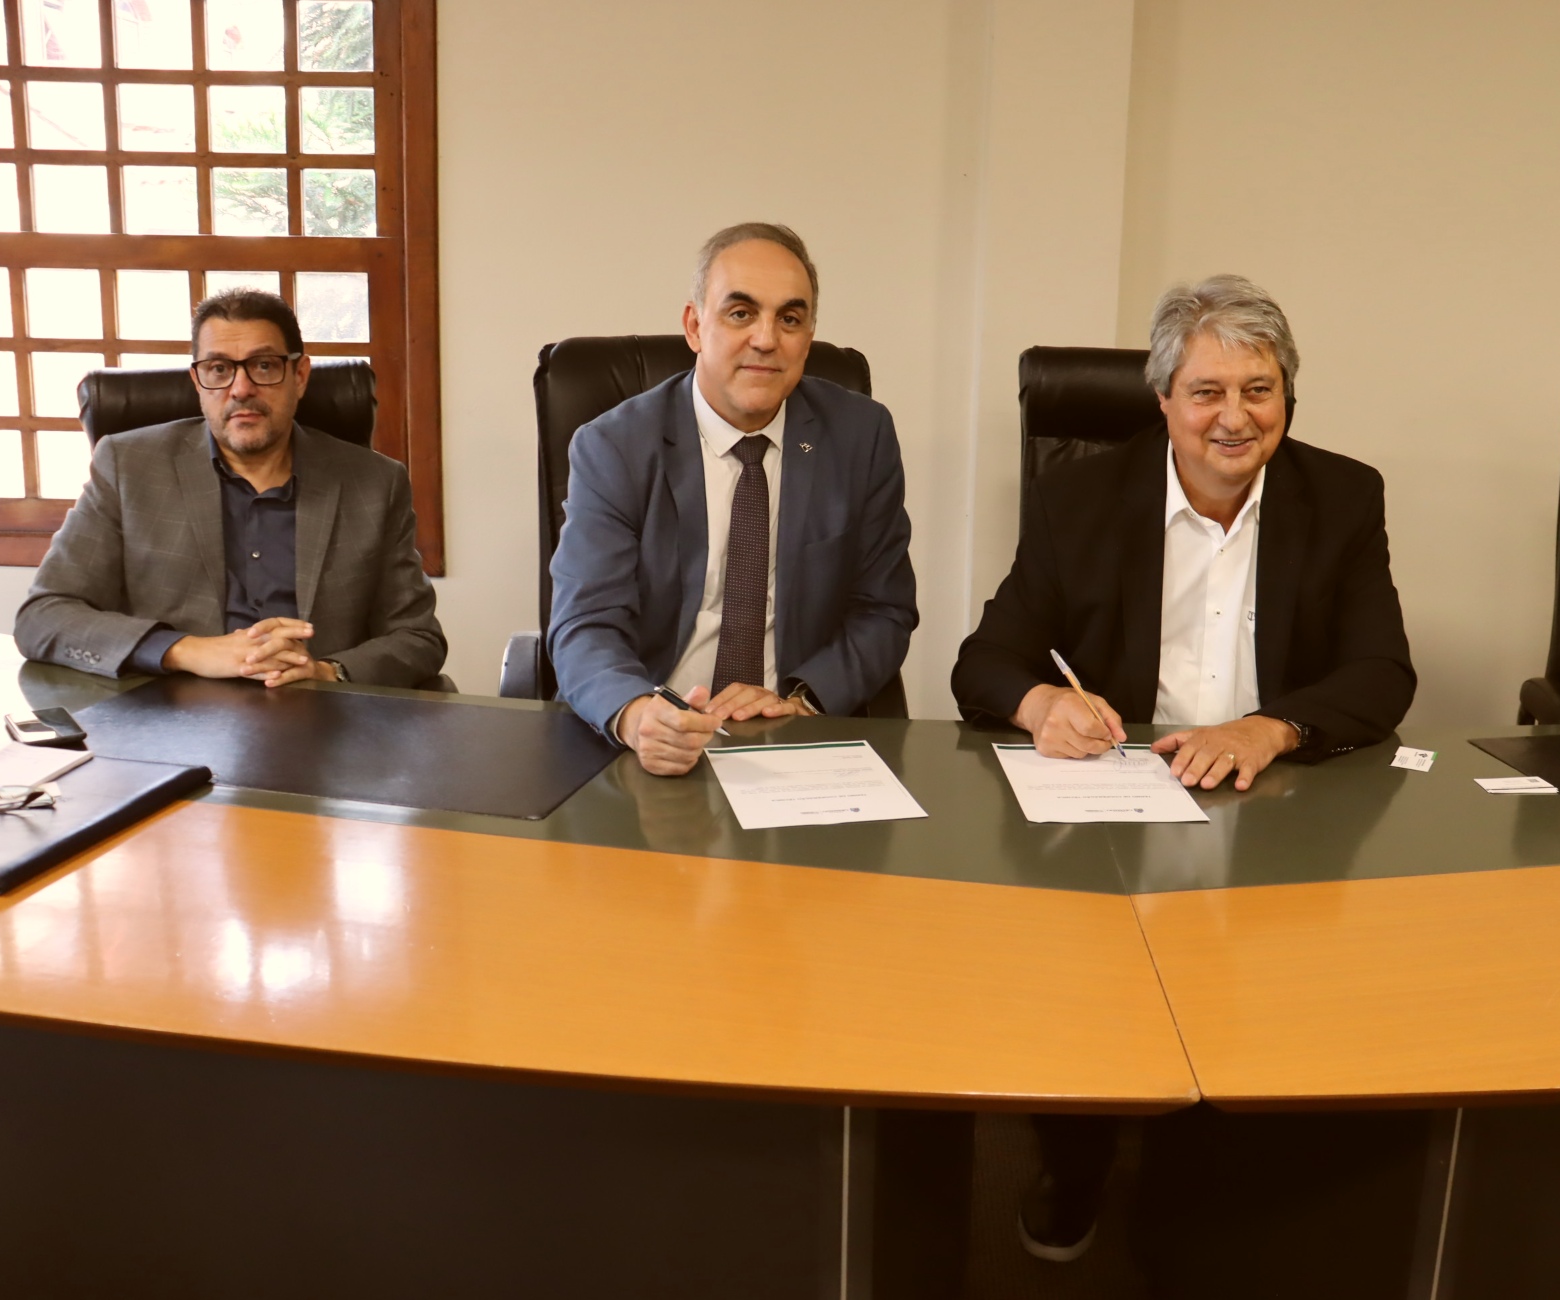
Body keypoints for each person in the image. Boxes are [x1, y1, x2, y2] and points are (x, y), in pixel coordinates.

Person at [951, 275, 1415, 1262]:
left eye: (1258, 390)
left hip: (1271, 801)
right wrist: (1039, 704)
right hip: (1117, 797)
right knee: (1087, 982)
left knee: (1260, 1005)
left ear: (1287, 397)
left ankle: (1209, 1186)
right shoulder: (1080, 496)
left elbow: (1382, 674)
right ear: (1163, 399)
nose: (1233, 417)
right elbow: (983, 661)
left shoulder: (1342, 497)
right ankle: (1074, 1159)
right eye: (1206, 391)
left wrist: (1272, 726)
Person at [547, 222, 918, 776]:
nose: (766, 339)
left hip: (792, 737)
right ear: (695, 326)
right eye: (741, 313)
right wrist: (638, 715)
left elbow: (883, 609)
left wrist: (802, 703)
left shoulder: (860, 437)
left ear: (809, 336)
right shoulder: (615, 446)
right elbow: (585, 623)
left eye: (789, 319)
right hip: (649, 735)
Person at [16, 289, 445, 687]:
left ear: (299, 375)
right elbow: (43, 616)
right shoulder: (128, 466)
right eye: (219, 369)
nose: (241, 389)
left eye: (264, 366)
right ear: (197, 382)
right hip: (173, 716)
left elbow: (418, 637)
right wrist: (185, 650)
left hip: (320, 716)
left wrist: (325, 672)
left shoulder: (375, 483)